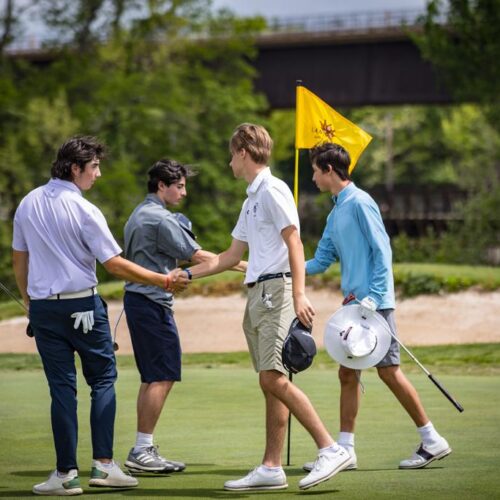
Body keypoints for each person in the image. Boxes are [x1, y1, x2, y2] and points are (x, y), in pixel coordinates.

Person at [11, 136, 189, 496]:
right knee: (103, 381)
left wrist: (31, 303)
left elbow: (20, 259)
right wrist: (163, 279)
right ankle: (104, 467)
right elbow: (114, 264)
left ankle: (64, 475)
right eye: (94, 167)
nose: (99, 173)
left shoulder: (27, 203)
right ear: (75, 168)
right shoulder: (85, 210)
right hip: (82, 307)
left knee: (61, 389)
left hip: (45, 309)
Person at [186, 123, 354, 492]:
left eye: (232, 154)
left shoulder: (273, 190)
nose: (230, 162)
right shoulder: (251, 200)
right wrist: (185, 275)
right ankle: (271, 467)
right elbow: (230, 257)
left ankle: (330, 448)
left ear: (243, 152)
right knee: (270, 382)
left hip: (278, 292)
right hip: (259, 295)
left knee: (272, 378)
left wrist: (298, 294)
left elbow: (294, 242)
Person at [303, 142, 451, 472]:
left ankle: (432, 439)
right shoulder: (335, 211)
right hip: (356, 308)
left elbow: (382, 250)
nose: (312, 177)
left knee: (388, 371)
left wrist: (375, 295)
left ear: (328, 170)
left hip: (374, 305)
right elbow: (321, 261)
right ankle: (345, 450)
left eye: (314, 170)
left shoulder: (360, 202)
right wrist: (285, 264)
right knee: (347, 373)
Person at [122, 158, 246, 474]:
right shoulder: (160, 219)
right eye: (179, 186)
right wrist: (252, 267)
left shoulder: (139, 213)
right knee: (162, 375)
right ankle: (141, 450)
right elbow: (201, 257)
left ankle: (142, 448)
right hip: (151, 305)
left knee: (153, 376)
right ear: (162, 186)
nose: (184, 193)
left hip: (138, 303)